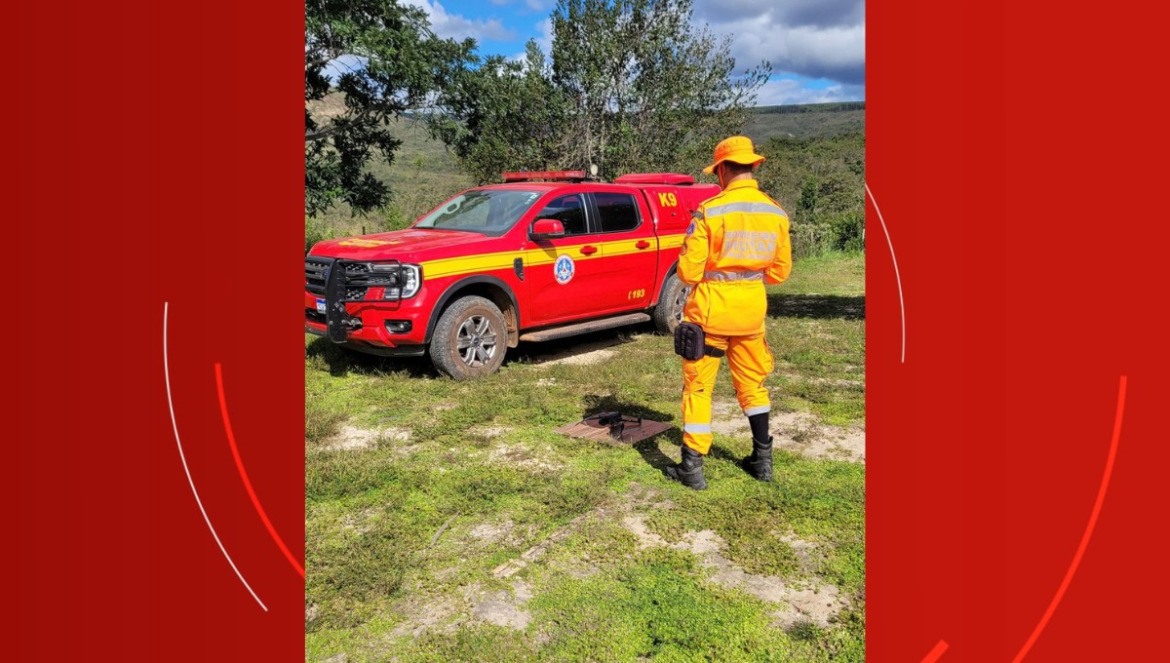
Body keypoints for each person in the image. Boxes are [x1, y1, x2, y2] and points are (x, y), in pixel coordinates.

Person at [665, 136, 792, 490]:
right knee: (753, 384)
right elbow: (780, 273)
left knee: (700, 388)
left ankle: (692, 467)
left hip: (709, 314)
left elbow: (689, 273)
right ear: (752, 166)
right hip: (751, 311)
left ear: (722, 169)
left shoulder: (710, 211)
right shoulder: (776, 213)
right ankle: (762, 460)